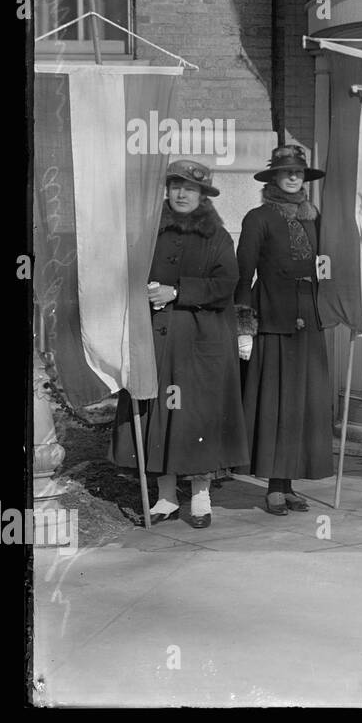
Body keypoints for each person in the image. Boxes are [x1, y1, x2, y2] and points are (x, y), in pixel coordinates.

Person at [111, 160, 250, 528]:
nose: (182, 194)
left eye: (190, 188)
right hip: (155, 341)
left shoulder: (217, 237)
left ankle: (201, 497)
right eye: (176, 186)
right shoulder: (148, 234)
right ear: (167, 191)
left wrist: (177, 291)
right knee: (160, 415)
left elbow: (226, 285)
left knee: (195, 417)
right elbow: (126, 273)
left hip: (201, 345)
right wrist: (140, 288)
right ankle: (166, 497)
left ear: (203, 195)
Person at [236, 144, 333, 516]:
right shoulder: (257, 218)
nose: (293, 178)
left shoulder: (314, 217)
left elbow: (327, 264)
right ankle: (274, 486)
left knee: (302, 405)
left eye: (298, 173)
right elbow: (244, 275)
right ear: (274, 177)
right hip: (272, 318)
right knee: (275, 403)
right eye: (286, 172)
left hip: (309, 319)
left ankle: (290, 483)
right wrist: (243, 326)